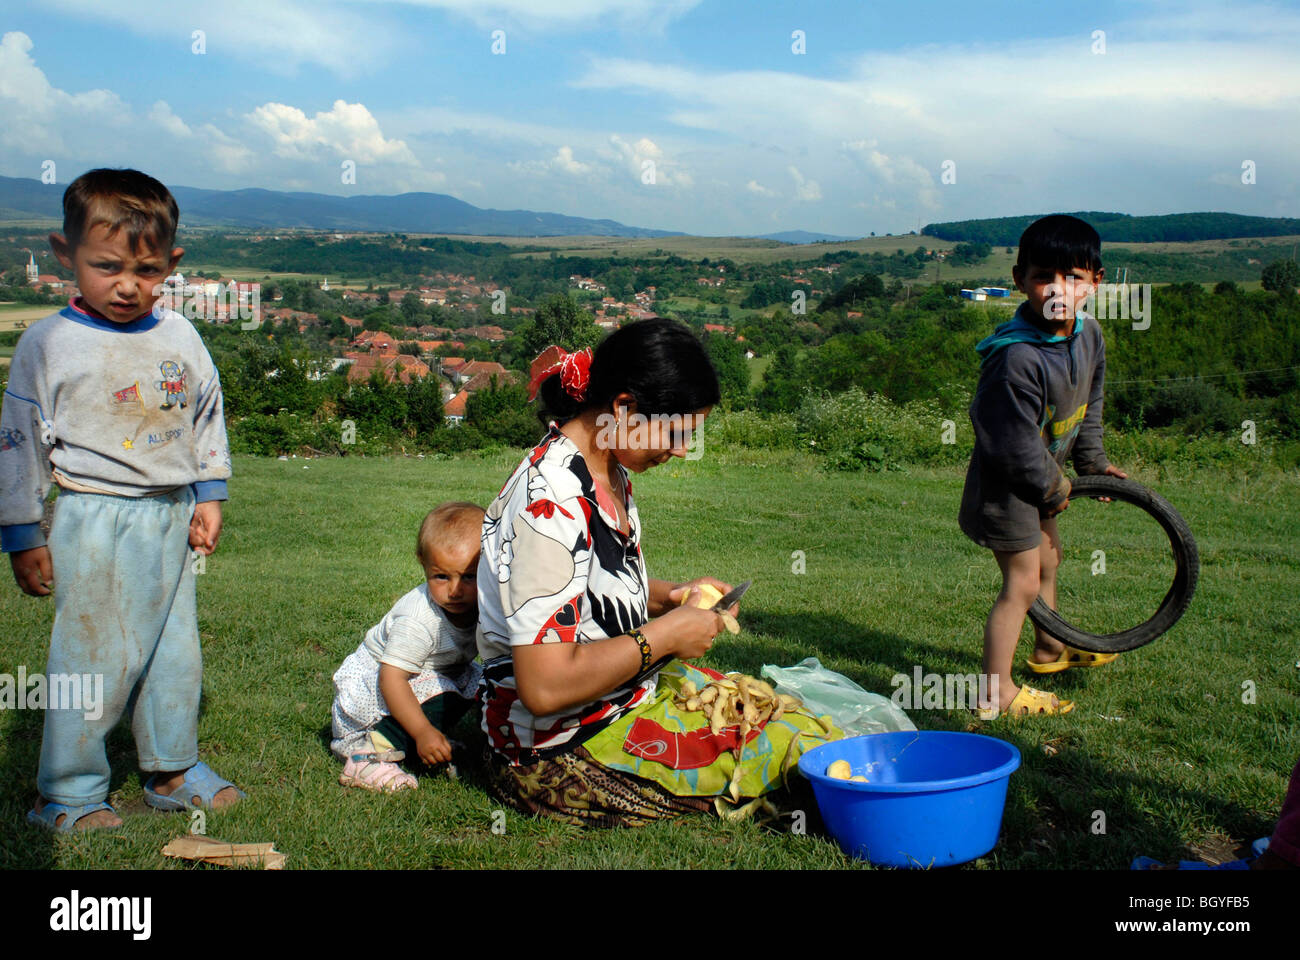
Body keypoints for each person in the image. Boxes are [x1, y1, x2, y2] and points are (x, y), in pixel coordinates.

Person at [477, 320, 837, 827]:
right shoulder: (549, 504)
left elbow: (585, 593)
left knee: (788, 718)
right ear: (623, 408)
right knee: (792, 758)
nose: (683, 449)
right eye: (677, 432)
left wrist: (672, 597)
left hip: (618, 699)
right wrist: (665, 636)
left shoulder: (607, 470)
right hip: (555, 747)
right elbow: (544, 687)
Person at [0, 168, 238, 831]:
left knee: (173, 654)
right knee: (93, 657)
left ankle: (171, 769)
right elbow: (17, 442)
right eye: (106, 267)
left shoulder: (180, 339)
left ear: (172, 264)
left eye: (147, 269)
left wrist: (208, 494)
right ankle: (68, 793)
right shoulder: (49, 343)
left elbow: (205, 416)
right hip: (92, 517)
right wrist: (22, 531)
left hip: (170, 514)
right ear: (63, 252)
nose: (128, 285)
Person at [959, 215, 1128, 718]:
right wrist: (1054, 487)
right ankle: (997, 693)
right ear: (1019, 280)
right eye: (1043, 277)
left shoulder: (1088, 336)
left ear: (1096, 280)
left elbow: (1090, 402)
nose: (1059, 290)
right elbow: (1010, 444)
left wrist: (1092, 463)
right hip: (1008, 488)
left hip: (1045, 481)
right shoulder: (1016, 360)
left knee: (1050, 562)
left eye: (1074, 277)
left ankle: (1050, 649)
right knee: (1023, 583)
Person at [330, 502, 484, 792]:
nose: (455, 590)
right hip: (376, 698)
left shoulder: (483, 603)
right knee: (440, 690)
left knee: (482, 682)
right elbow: (391, 679)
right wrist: (423, 730)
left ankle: (419, 742)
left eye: (469, 576)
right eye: (441, 576)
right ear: (423, 563)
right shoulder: (418, 620)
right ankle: (370, 755)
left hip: (425, 677)